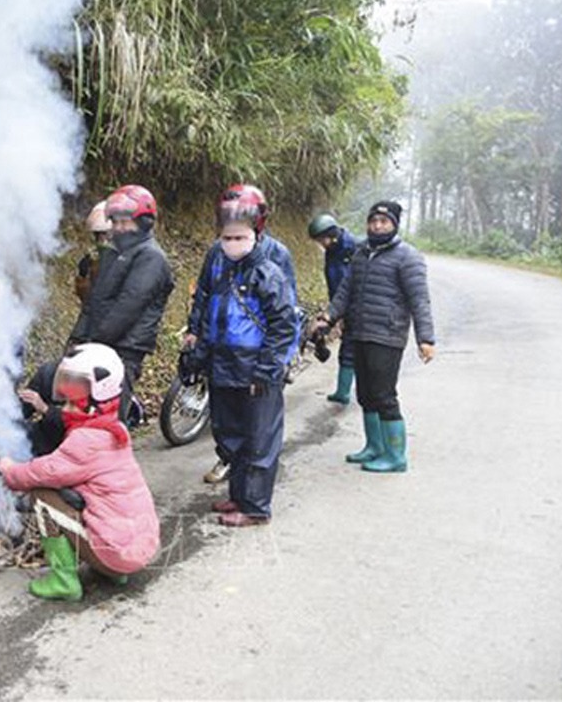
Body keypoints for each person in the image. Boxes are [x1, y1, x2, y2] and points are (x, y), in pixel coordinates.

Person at [0, 343, 159, 600]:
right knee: (90, 497)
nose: (65, 403)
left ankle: (64, 581)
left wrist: (8, 469)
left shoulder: (86, 441)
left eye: (74, 397)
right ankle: (112, 572)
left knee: (42, 495)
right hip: (140, 548)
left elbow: (41, 472)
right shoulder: (114, 427)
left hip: (117, 554)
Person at [181, 187, 298, 525]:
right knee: (230, 433)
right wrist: (196, 346)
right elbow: (205, 302)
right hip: (224, 360)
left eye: (239, 235)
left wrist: (269, 369)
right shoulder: (218, 258)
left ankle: (256, 507)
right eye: (226, 235)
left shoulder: (270, 266)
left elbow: (283, 321)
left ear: (256, 229)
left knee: (259, 437)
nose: (231, 241)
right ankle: (239, 497)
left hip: (256, 364)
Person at [315, 200, 435, 472]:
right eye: (373, 221)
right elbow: (345, 292)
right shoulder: (360, 253)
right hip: (359, 331)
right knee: (366, 394)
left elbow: (420, 301)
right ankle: (374, 447)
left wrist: (425, 339)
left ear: (394, 224)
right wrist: (328, 317)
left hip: (387, 335)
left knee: (383, 395)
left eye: (384, 221)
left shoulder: (408, 257)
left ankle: (396, 457)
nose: (378, 226)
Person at [68, 184, 175, 425]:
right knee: (83, 416)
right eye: (115, 222)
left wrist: (93, 343)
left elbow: (128, 307)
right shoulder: (113, 252)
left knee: (109, 421)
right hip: (97, 347)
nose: (118, 228)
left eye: (125, 222)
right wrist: (77, 338)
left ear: (144, 222)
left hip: (124, 350)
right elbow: (94, 301)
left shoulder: (151, 258)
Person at [307, 213, 358, 405]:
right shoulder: (332, 250)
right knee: (348, 346)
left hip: (357, 307)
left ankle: (347, 392)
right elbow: (334, 283)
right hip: (340, 305)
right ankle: (343, 391)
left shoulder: (354, 248)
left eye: (322, 239)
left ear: (332, 234)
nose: (321, 244)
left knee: (353, 349)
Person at [18, 358, 65, 457]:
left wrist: (46, 409)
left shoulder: (99, 386)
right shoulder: (50, 372)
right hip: (44, 436)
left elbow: (77, 423)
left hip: (70, 449)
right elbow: (23, 408)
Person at [74, 201, 113, 304]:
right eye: (98, 235)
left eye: (106, 234)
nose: (102, 240)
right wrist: (84, 277)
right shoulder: (90, 263)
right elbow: (87, 302)